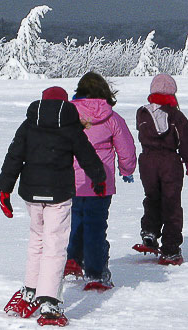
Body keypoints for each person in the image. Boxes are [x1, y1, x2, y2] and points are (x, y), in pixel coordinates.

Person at [0, 87, 107, 326]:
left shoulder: (28, 124)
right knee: (54, 245)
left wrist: (4, 190)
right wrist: (99, 179)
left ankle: (30, 290)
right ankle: (49, 300)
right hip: (58, 194)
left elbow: (14, 156)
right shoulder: (70, 126)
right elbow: (87, 155)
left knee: (37, 239)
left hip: (30, 193)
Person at [64, 72, 137, 290]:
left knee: (75, 221)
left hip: (72, 180)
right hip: (101, 182)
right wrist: (127, 170)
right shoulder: (112, 118)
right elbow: (126, 150)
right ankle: (95, 272)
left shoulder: (68, 116)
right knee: (96, 226)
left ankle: (73, 259)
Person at [135, 74, 188, 265]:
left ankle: (150, 233)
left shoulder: (142, 113)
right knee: (171, 204)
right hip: (170, 161)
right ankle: (170, 248)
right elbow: (185, 141)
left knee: (152, 198)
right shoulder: (177, 116)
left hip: (147, 161)